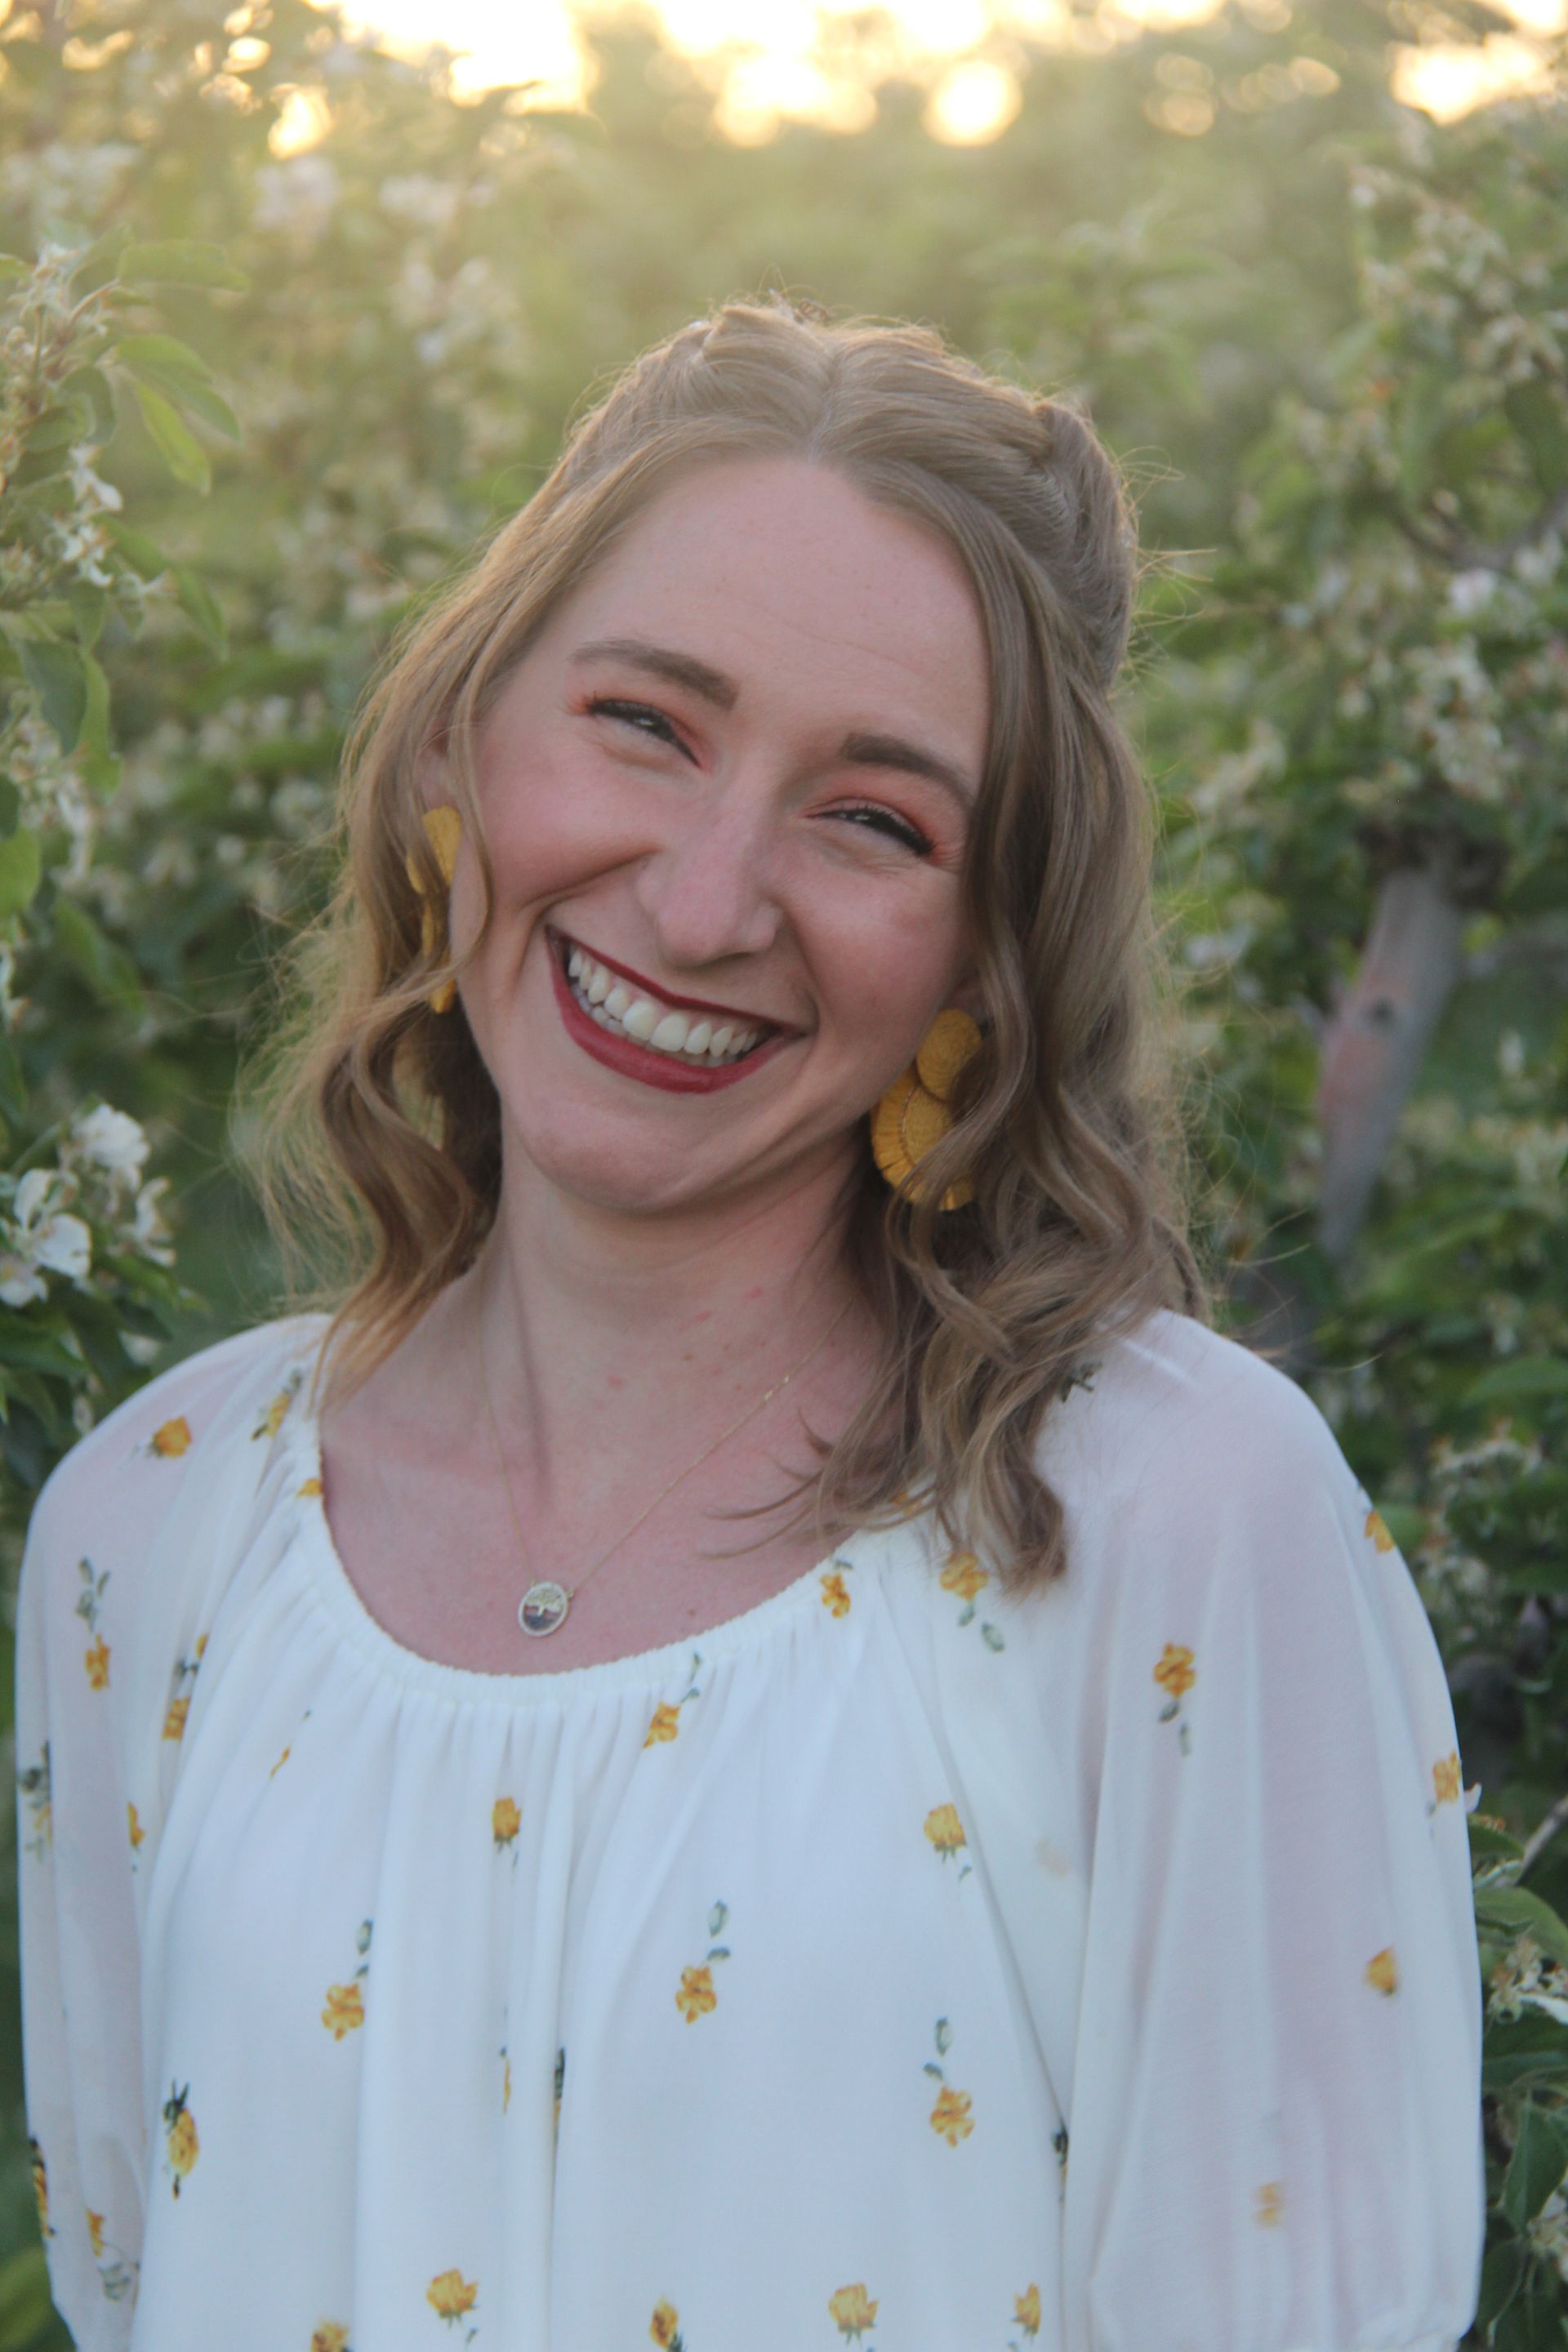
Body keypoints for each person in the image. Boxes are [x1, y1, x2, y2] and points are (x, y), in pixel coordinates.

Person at [15, 299, 1483, 2352]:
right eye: (644, 722)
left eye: (874, 820)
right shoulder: (151, 1534)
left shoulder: (1166, 1523)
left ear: (989, 946)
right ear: (459, 741)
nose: (705, 903)